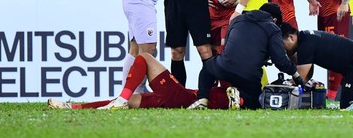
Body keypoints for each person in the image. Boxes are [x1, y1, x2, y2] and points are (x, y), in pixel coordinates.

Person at [188, 3, 303, 110]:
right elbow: (280, 60)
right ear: (275, 20)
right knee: (255, 101)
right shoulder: (273, 28)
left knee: (207, 68)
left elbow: (230, 46)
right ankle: (240, 97)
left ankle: (202, 98)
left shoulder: (236, 20)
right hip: (248, 75)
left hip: (225, 66)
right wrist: (296, 75)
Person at [48, 53, 235, 110]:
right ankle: (71, 107)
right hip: (183, 98)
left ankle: (120, 100)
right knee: (132, 101)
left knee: (144, 57)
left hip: (183, 98)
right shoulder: (235, 89)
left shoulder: (234, 95)